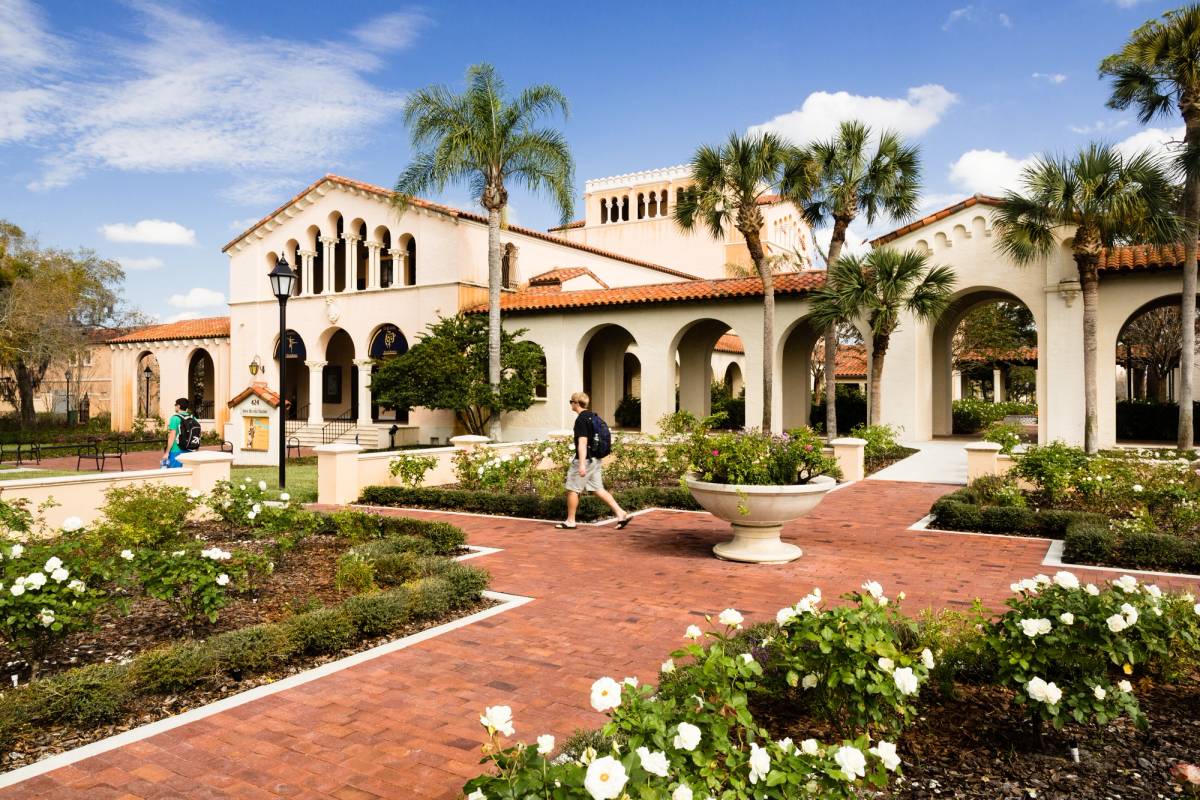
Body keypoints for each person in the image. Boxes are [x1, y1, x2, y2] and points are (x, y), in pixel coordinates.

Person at [556, 392, 630, 530]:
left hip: (586, 460)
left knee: (572, 489)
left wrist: (582, 464)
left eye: (571, 401)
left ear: (577, 403)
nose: (570, 404)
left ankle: (570, 521)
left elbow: (582, 443)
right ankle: (621, 513)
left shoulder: (581, 420)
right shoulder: (593, 417)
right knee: (597, 489)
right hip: (596, 459)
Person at [162, 397, 193, 468]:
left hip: (176, 450)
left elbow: (172, 437)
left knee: (174, 474)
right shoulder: (192, 418)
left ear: (178, 406)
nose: (175, 406)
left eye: (175, 405)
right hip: (189, 450)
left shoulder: (175, 418)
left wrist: (167, 453)